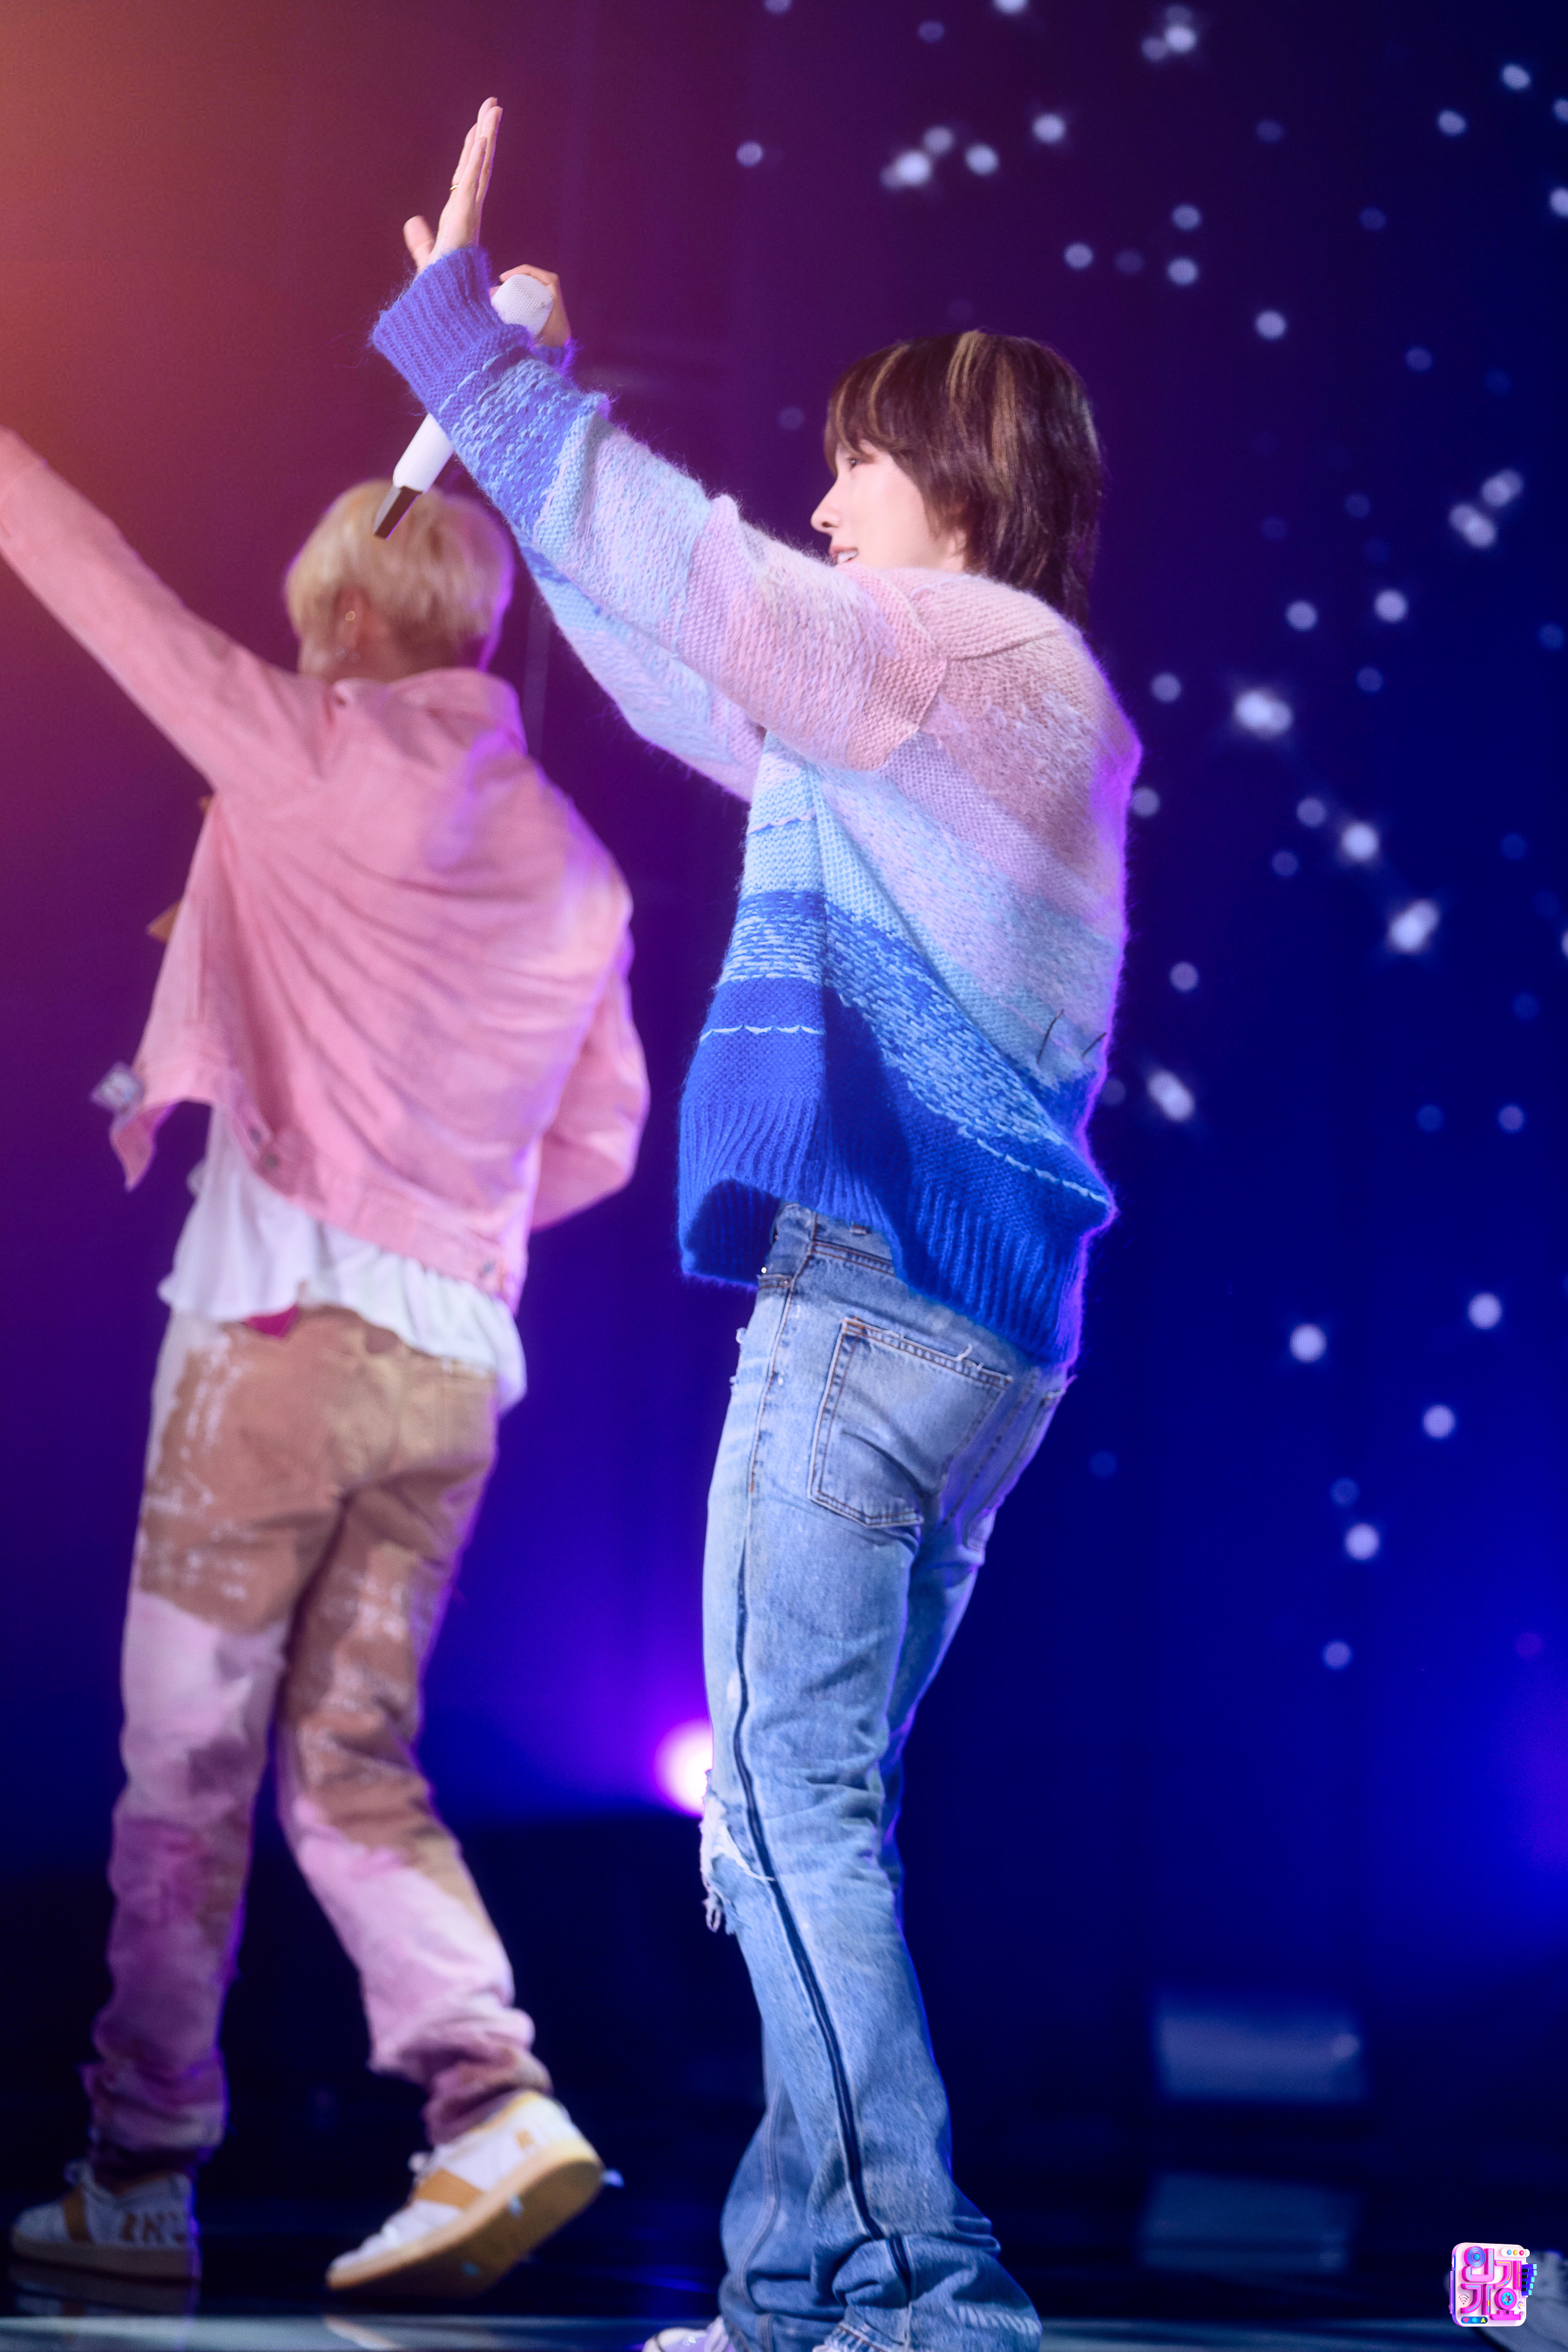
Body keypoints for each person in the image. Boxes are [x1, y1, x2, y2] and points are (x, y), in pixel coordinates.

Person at [371, 99, 1138, 2352]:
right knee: (804, 1824)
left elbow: (713, 582)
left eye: (855, 468)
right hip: (977, 1344)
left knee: (790, 1815)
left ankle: (924, 2293)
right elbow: (679, 657)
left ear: (958, 491)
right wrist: (507, 412)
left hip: (871, 1312)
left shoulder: (951, 656)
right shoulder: (973, 706)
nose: (821, 503)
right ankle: (800, 2283)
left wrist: (479, 358)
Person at [0, 427, 648, 2296]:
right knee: (355, 1761)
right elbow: (602, 1141)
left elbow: (104, 590)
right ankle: (493, 2102)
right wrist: (449, 1210)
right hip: (448, 1373)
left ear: (353, 619)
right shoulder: (583, 868)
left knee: (185, 1768)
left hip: (273, 1333)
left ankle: (138, 2176)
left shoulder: (304, 753)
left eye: (314, 622)